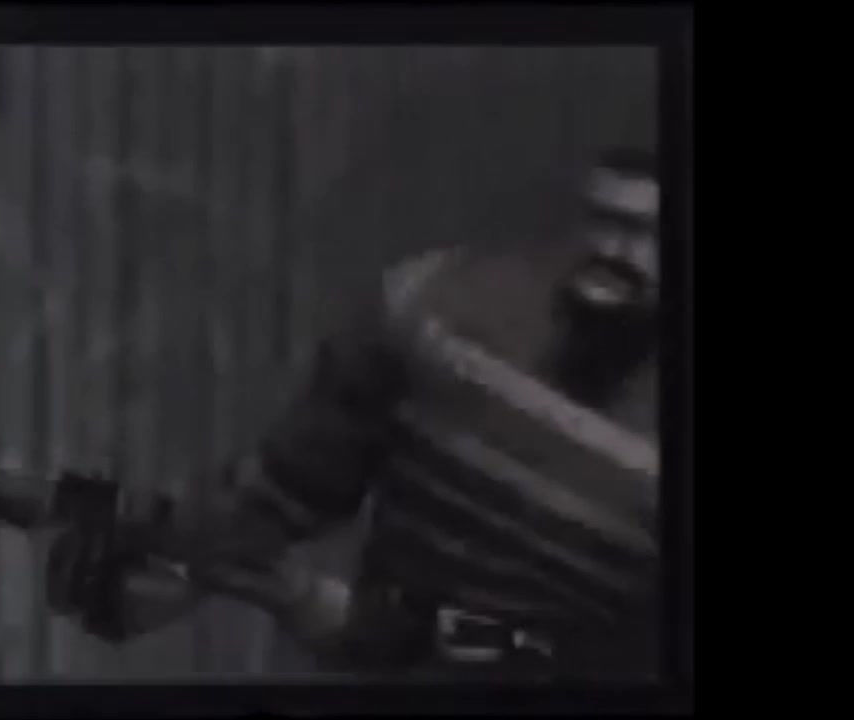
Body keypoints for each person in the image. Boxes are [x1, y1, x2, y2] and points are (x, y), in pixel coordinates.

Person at [46, 150, 661, 680]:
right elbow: (287, 489)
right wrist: (173, 565)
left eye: (654, 234)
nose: (616, 253)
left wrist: (350, 620)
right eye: (605, 221)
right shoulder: (434, 308)